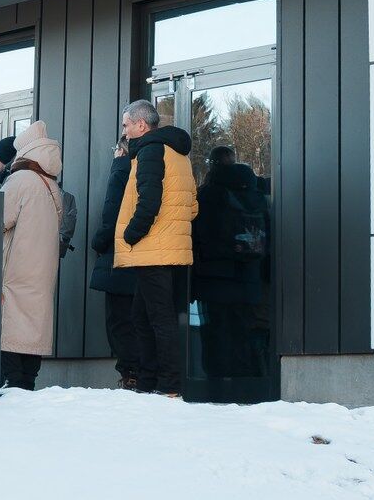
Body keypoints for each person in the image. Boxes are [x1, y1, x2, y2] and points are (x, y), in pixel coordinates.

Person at [110, 98, 195, 397]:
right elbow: (192, 205)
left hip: (152, 248)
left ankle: (168, 386)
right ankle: (148, 383)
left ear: (141, 125)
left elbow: (149, 201)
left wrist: (131, 234)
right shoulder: (177, 153)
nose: (124, 131)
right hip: (168, 247)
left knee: (158, 318)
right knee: (143, 317)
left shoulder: (150, 150)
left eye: (126, 125)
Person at [192, 145, 271, 382]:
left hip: (214, 278)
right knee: (244, 330)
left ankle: (217, 382)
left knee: (215, 331)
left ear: (212, 165)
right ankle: (246, 380)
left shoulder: (208, 195)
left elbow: (199, 235)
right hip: (249, 276)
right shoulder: (256, 194)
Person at [0, 120, 64, 391]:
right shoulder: (51, 185)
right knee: (34, 326)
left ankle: (13, 383)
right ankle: (27, 382)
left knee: (12, 327)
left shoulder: (20, 180)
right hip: (42, 269)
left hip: (16, 266)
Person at [85, 133, 138, 390]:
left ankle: (130, 374)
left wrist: (98, 242)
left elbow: (112, 212)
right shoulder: (155, 167)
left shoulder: (122, 169)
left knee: (119, 321)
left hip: (120, 256)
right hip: (147, 259)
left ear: (122, 149)